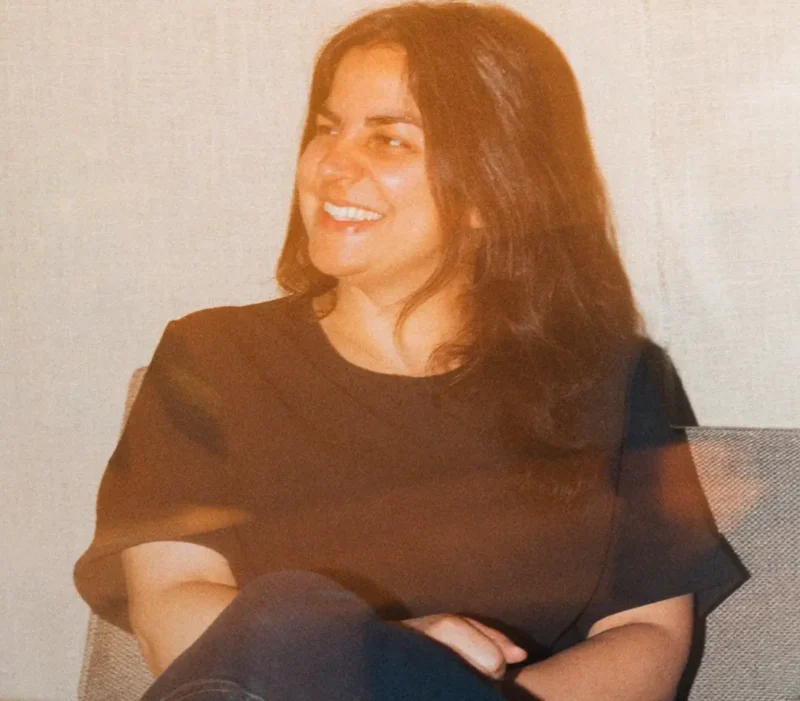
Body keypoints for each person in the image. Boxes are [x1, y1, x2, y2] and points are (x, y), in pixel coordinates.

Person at [74, 3, 746, 700]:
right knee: (282, 613)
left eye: (389, 140)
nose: (332, 163)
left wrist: (422, 683)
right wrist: (376, 658)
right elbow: (171, 609)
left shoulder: (604, 377)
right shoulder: (209, 358)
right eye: (327, 129)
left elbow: (649, 636)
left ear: (493, 186)